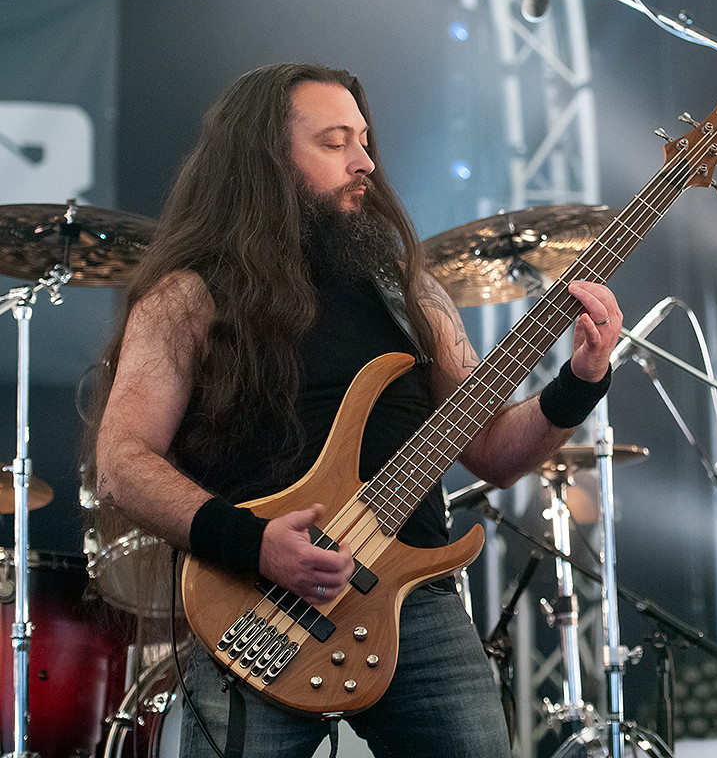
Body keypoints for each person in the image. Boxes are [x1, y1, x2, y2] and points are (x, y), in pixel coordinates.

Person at [90, 63, 623, 757]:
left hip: (414, 600)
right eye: (334, 142)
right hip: (256, 606)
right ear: (265, 162)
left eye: (364, 140)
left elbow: (493, 450)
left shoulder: (409, 293)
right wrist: (255, 544)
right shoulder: (186, 299)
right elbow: (122, 463)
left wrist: (581, 380)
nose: (364, 162)